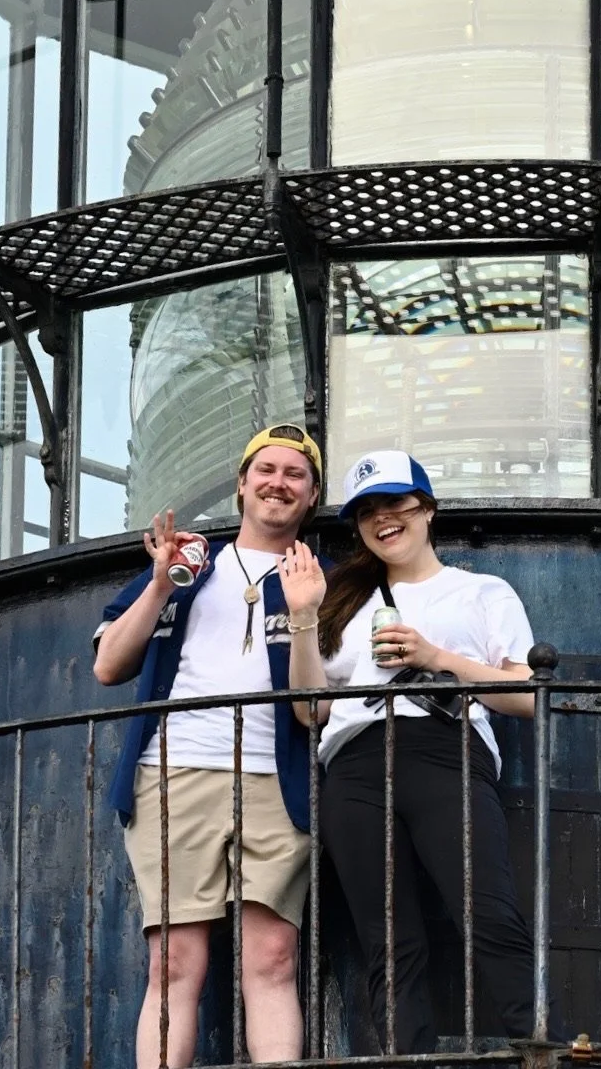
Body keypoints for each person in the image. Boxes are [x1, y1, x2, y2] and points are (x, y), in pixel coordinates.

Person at [278, 448, 546, 1054]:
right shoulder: (341, 600)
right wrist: (302, 615)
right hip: (352, 763)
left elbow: (529, 696)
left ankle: (540, 1051)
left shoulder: (481, 591)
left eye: (395, 503)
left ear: (427, 509)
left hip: (443, 749)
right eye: (367, 510)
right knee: (389, 942)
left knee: (489, 914)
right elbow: (309, 710)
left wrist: (438, 659)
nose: (383, 518)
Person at [93, 423, 328, 1069]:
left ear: (311, 497)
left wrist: (306, 611)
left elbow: (314, 710)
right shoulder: (192, 562)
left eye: (295, 475)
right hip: (176, 770)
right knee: (172, 961)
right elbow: (108, 665)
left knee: (273, 956)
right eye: (266, 470)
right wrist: (161, 583)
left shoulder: (324, 576)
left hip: (276, 780)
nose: (278, 482)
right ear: (242, 485)